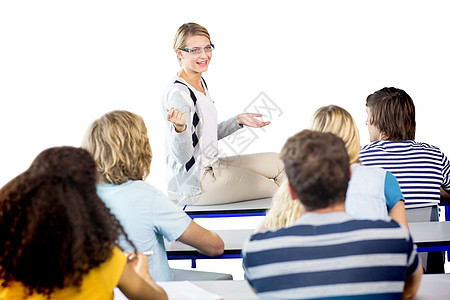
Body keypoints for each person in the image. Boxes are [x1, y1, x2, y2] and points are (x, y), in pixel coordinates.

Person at [242, 130, 422, 299]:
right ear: (350, 178)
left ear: (291, 191)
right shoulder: (394, 238)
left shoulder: (258, 251)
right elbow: (409, 290)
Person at [0, 146, 167, 300]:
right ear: (88, 202)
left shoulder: (6, 258)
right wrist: (142, 274)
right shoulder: (105, 259)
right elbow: (158, 298)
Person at [81, 110, 224, 281]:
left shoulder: (78, 198)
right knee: (225, 280)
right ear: (138, 149)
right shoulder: (146, 196)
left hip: (106, 292)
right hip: (154, 291)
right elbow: (214, 246)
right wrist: (180, 228)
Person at [162, 22, 285, 205]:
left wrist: (238, 121)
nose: (204, 55)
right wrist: (179, 129)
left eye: (207, 47)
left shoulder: (199, 83)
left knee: (281, 163)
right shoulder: (180, 96)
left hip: (213, 165)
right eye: (195, 50)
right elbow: (183, 157)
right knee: (277, 190)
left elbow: (203, 135)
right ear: (180, 53)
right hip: (195, 184)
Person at [257, 105, 407, 232]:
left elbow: (257, 240)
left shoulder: (294, 184)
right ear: (353, 136)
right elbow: (403, 241)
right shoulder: (383, 180)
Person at [360, 87, 450, 272]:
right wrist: (432, 188)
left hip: (378, 265)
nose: (366, 121)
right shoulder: (434, 155)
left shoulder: (360, 158)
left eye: (368, 115)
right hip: (427, 264)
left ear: (380, 120)